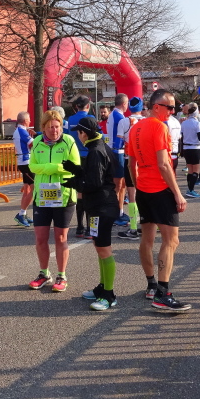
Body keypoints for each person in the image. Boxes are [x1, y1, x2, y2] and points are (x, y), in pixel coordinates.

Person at [127, 90, 191, 312]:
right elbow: (164, 164)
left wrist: (138, 185)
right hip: (160, 189)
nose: (173, 111)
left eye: (174, 107)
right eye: (169, 107)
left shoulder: (135, 128)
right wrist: (177, 193)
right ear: (156, 107)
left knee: (147, 239)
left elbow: (131, 163)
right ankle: (163, 294)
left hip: (144, 189)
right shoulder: (159, 127)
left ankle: (151, 285)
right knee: (171, 241)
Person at [64, 116, 119, 310]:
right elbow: (97, 175)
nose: (78, 136)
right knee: (99, 246)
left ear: (84, 133)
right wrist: (77, 170)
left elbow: (94, 183)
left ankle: (109, 295)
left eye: (78, 132)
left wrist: (75, 182)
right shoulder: (98, 147)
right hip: (97, 207)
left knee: (104, 249)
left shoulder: (96, 151)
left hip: (103, 206)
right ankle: (102, 287)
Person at [28, 110, 80, 292]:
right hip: (42, 197)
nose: (54, 130)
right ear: (43, 128)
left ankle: (61, 275)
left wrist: (50, 168)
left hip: (64, 196)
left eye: (57, 127)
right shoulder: (37, 142)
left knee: (60, 237)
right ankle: (44, 273)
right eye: (50, 127)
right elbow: (32, 166)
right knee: (40, 238)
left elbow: (75, 167)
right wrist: (56, 167)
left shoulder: (68, 141)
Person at [117, 97, 146, 239]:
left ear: (129, 107)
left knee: (132, 194)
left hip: (130, 160)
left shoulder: (123, 121)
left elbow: (119, 142)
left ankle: (133, 228)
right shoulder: (147, 121)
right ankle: (151, 224)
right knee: (147, 192)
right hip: (146, 161)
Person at [67, 96, 93, 237]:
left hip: (75, 157)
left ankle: (79, 227)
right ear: (88, 106)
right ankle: (89, 228)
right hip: (88, 156)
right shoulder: (91, 119)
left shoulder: (71, 119)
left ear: (76, 106)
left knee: (79, 192)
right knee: (89, 192)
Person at [107, 93, 129, 227]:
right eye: (127, 104)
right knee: (118, 185)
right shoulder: (119, 117)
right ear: (124, 104)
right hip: (117, 152)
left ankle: (119, 212)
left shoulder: (114, 114)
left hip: (117, 151)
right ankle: (115, 214)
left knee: (122, 184)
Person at [13, 111, 36, 227]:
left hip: (24, 161)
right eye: (29, 119)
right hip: (25, 162)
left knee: (27, 189)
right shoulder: (22, 131)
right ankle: (21, 214)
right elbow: (33, 144)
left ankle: (24, 213)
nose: (30, 121)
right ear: (25, 121)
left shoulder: (20, 130)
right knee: (35, 188)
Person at [180, 103, 200, 198]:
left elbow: (182, 137)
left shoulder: (184, 123)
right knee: (196, 170)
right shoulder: (197, 123)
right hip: (195, 148)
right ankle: (191, 190)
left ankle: (190, 189)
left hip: (186, 148)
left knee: (190, 170)